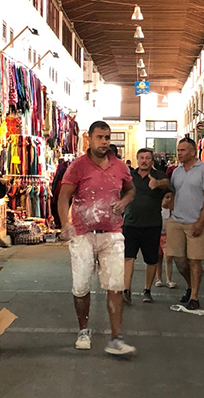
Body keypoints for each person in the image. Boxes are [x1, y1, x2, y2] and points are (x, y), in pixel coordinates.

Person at [58, 121, 137, 356]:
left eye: (107, 137)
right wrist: (65, 223)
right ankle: (83, 330)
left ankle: (116, 338)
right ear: (89, 139)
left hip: (112, 234)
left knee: (116, 286)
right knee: (81, 286)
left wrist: (124, 202)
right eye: (100, 137)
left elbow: (131, 189)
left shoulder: (120, 166)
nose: (104, 142)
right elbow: (64, 196)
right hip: (83, 235)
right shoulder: (78, 166)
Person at [166, 137, 204, 310]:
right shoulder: (177, 172)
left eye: (183, 150)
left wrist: (201, 222)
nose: (179, 153)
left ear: (193, 151)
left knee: (194, 260)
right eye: (178, 150)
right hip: (177, 220)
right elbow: (173, 194)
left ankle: (194, 296)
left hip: (196, 221)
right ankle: (189, 285)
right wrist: (171, 213)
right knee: (179, 260)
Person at [122, 148, 169, 304]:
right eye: (141, 158)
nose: (144, 161)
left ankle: (147, 290)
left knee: (151, 259)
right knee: (128, 257)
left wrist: (157, 183)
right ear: (137, 160)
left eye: (147, 158)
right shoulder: (129, 176)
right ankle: (126, 290)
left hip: (152, 225)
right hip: (130, 224)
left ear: (152, 160)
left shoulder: (158, 175)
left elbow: (167, 183)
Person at [154, 191, 177, 288]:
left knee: (168, 258)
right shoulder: (158, 210)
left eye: (171, 198)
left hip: (167, 236)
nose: (169, 200)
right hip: (157, 236)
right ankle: (159, 278)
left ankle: (169, 279)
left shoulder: (172, 211)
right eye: (167, 197)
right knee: (158, 258)